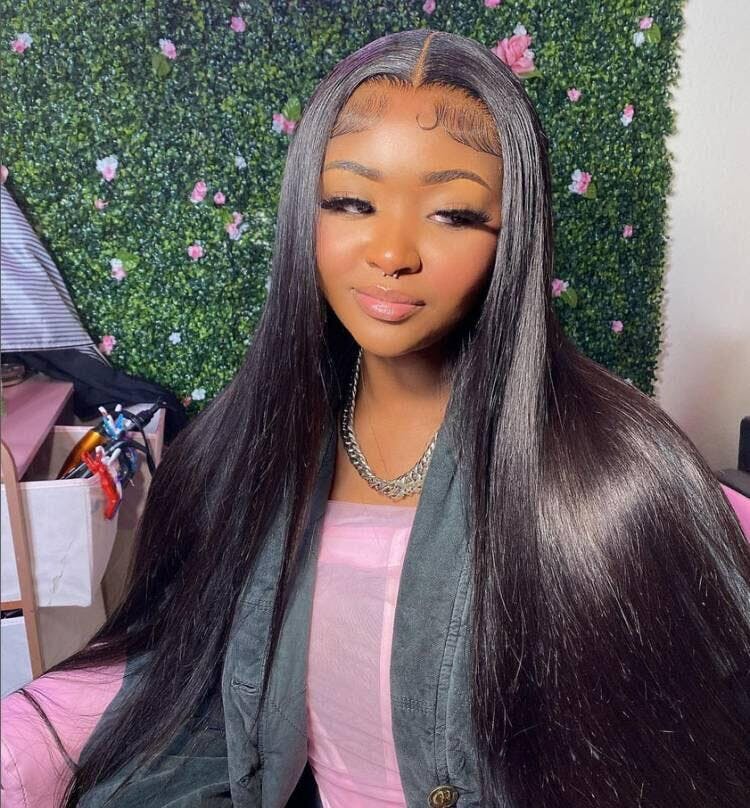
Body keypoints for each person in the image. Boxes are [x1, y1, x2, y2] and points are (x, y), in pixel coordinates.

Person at [2, 27, 749, 808]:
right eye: (352, 202)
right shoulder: (242, 456)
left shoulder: (612, 477)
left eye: (453, 214)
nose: (393, 253)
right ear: (307, 210)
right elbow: (170, 662)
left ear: (514, 233)